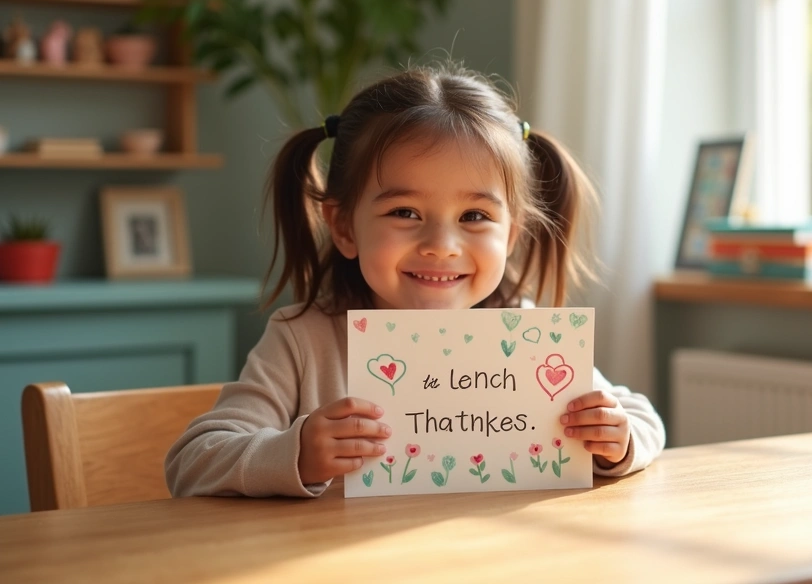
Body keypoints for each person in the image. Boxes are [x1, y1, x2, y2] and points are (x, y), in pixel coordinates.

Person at [165, 65, 666, 497]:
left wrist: (616, 439)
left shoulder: (524, 334)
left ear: (511, 235)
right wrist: (293, 452)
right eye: (405, 211)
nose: (442, 244)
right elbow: (192, 461)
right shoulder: (303, 339)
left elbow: (644, 419)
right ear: (343, 226)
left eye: (474, 216)